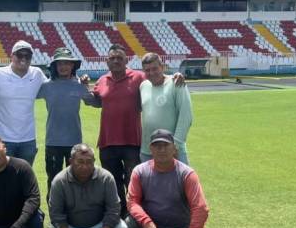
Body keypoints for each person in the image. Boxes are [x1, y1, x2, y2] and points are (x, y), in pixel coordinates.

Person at [84, 44, 185, 218]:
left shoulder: (139, 77)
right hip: (107, 142)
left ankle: (136, 216)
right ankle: (120, 216)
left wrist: (174, 76)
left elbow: (157, 77)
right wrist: (83, 88)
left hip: (132, 141)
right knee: (113, 183)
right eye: (112, 58)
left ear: (127, 60)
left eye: (119, 58)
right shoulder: (101, 80)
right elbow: (95, 102)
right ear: (107, 61)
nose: (116, 61)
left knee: (134, 182)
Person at [126, 129, 209, 228]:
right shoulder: (140, 171)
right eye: (157, 146)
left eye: (166, 145)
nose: (161, 149)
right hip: (149, 225)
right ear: (150, 149)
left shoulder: (187, 174)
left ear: (174, 148)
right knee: (129, 222)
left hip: (177, 226)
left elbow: (201, 208)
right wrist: (146, 221)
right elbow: (132, 201)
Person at [47, 144, 128, 228]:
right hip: (72, 227)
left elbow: (114, 210)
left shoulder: (106, 178)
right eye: (80, 162)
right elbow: (56, 216)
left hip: (99, 224)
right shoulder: (59, 181)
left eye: (89, 162)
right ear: (70, 161)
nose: (85, 166)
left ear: (94, 161)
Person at [36, 47, 95, 200]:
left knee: (76, 179)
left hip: (74, 142)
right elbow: (25, 95)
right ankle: (55, 217)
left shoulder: (78, 85)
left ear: (73, 66)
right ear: (54, 66)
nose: (63, 67)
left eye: (67, 63)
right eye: (60, 63)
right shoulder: (46, 86)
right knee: (54, 180)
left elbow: (91, 102)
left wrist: (86, 86)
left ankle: (74, 213)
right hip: (53, 141)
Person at [0, 40, 46, 166]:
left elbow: (54, 86)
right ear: (12, 56)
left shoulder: (37, 73)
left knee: (24, 178)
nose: (23, 59)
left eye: (27, 56)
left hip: (28, 140)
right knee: (1, 177)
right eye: (19, 55)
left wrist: (78, 81)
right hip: (3, 139)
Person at [139, 52, 193, 165]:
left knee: (178, 182)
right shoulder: (143, 86)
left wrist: (175, 146)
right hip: (147, 151)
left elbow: (186, 116)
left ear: (162, 67)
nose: (151, 73)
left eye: (155, 68)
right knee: (149, 183)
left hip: (172, 150)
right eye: (147, 70)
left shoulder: (176, 83)